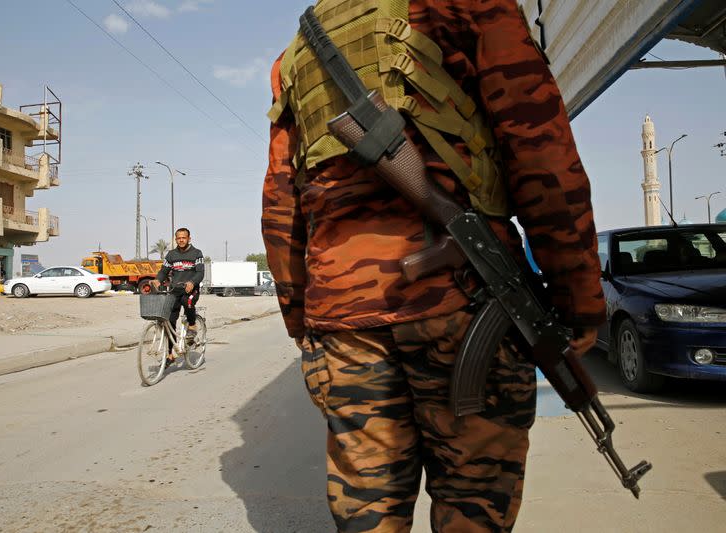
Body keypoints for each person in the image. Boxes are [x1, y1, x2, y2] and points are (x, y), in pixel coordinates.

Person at [261, 1, 605, 531]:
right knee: (473, 502)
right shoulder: (469, 5)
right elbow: (540, 149)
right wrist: (578, 298)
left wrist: (300, 318)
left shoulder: (295, 55)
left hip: (345, 316)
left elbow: (282, 200)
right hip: (464, 297)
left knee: (367, 509)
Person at [151, 228, 205, 364]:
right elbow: (164, 270)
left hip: (190, 290)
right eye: (178, 238)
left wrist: (192, 282)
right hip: (175, 290)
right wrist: (158, 279)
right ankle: (170, 353)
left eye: (184, 238)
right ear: (176, 240)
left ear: (189, 239)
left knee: (188, 302)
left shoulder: (196, 254)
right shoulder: (171, 255)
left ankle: (192, 325)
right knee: (170, 321)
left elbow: (200, 272)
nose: (181, 240)